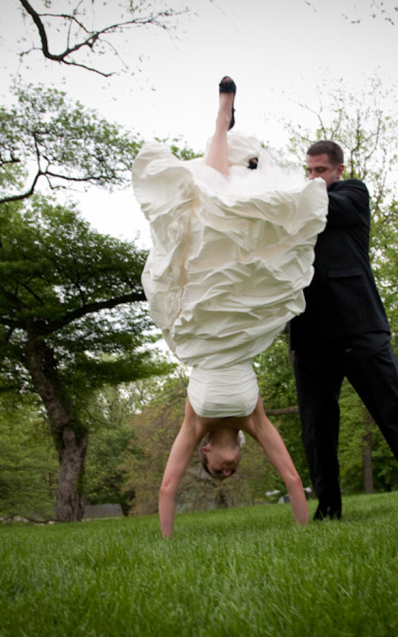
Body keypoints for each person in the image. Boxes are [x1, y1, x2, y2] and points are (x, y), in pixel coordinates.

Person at [132, 77, 328, 537]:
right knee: (236, 230)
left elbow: (166, 489)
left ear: (205, 454)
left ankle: (222, 126)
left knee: (204, 225)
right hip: (240, 317)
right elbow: (293, 478)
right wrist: (305, 533)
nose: (227, 471)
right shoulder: (252, 416)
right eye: (232, 471)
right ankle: (227, 136)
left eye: (220, 471)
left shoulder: (194, 421)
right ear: (240, 452)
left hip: (202, 319)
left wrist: (166, 542)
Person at [288, 140, 398, 520]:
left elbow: (322, 207)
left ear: (339, 170)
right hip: (309, 332)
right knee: (316, 429)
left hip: (358, 327)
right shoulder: (294, 207)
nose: (313, 178)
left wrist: (297, 195)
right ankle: (328, 510)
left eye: (321, 171)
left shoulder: (353, 193)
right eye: (308, 171)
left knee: (396, 413)